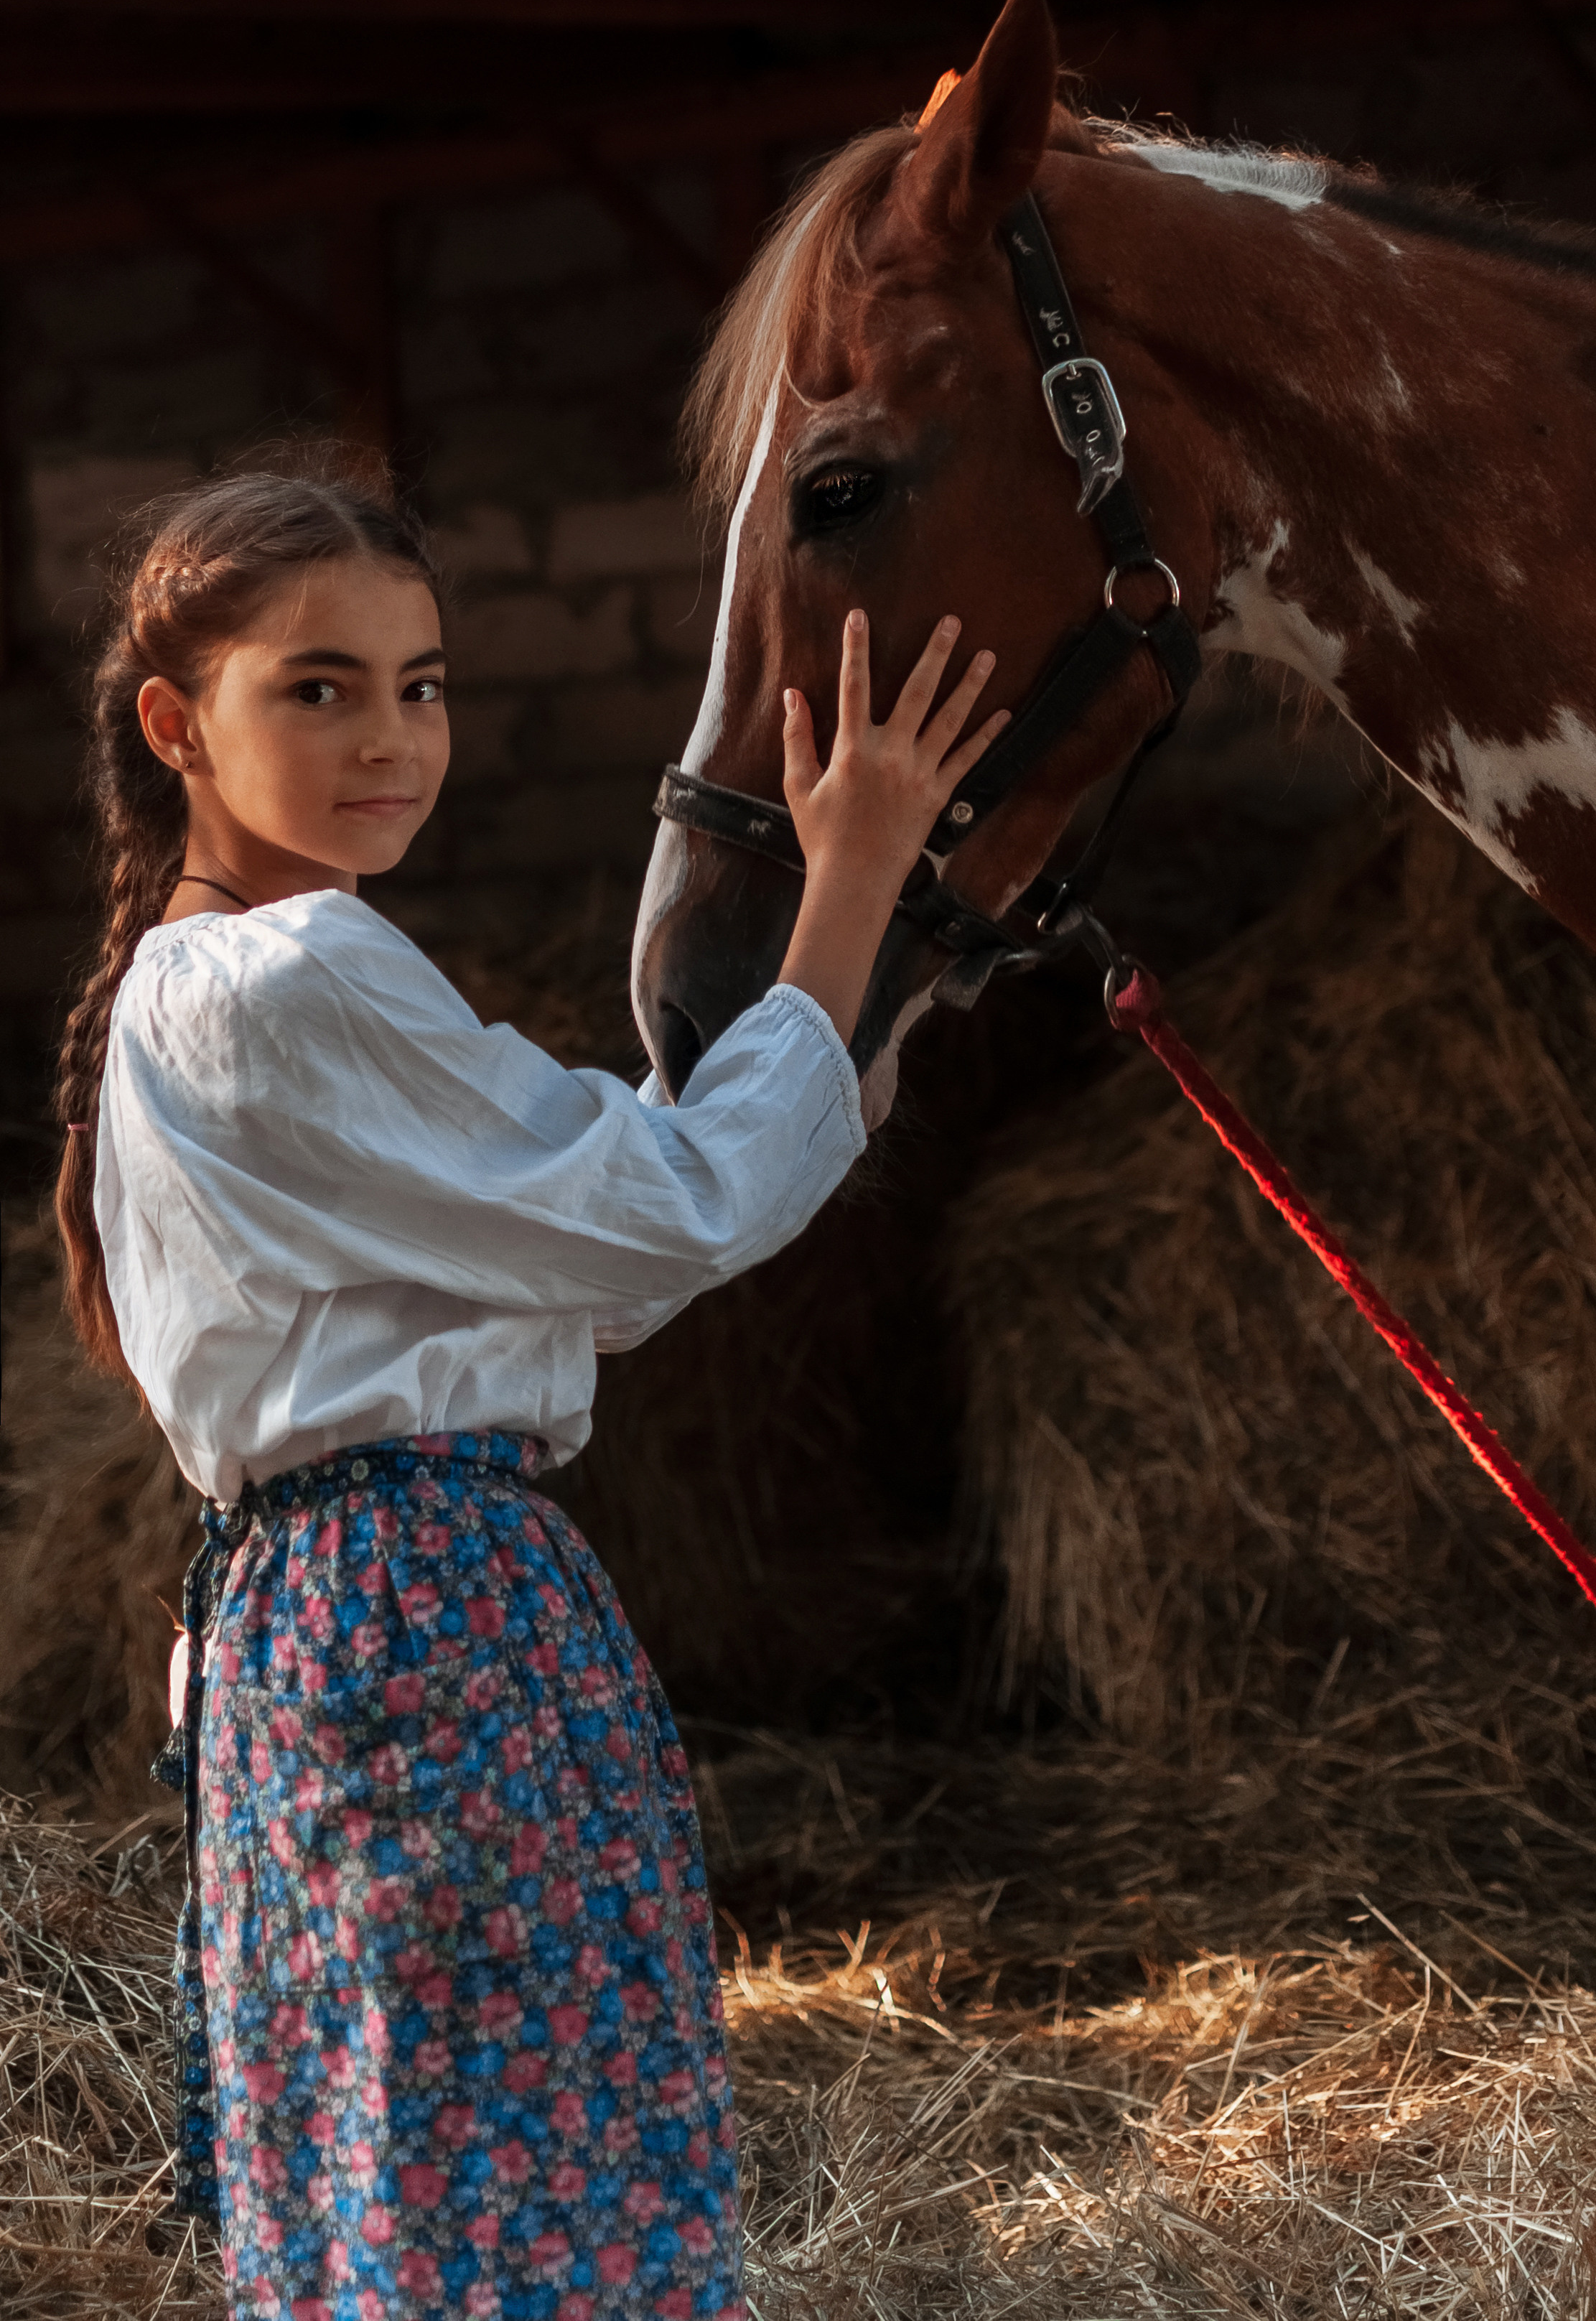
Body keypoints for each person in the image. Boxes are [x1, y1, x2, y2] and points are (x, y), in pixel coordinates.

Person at [52, 463, 1006, 2321]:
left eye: (421, 685)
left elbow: (588, 1252)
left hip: (306, 1636)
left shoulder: (175, 997)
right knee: (529, 2199)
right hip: (436, 1623)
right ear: (176, 725)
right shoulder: (297, 974)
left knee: (390, 2192)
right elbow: (668, 1214)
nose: (390, 739)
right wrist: (858, 876)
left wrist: (789, 1061)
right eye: (317, 687)